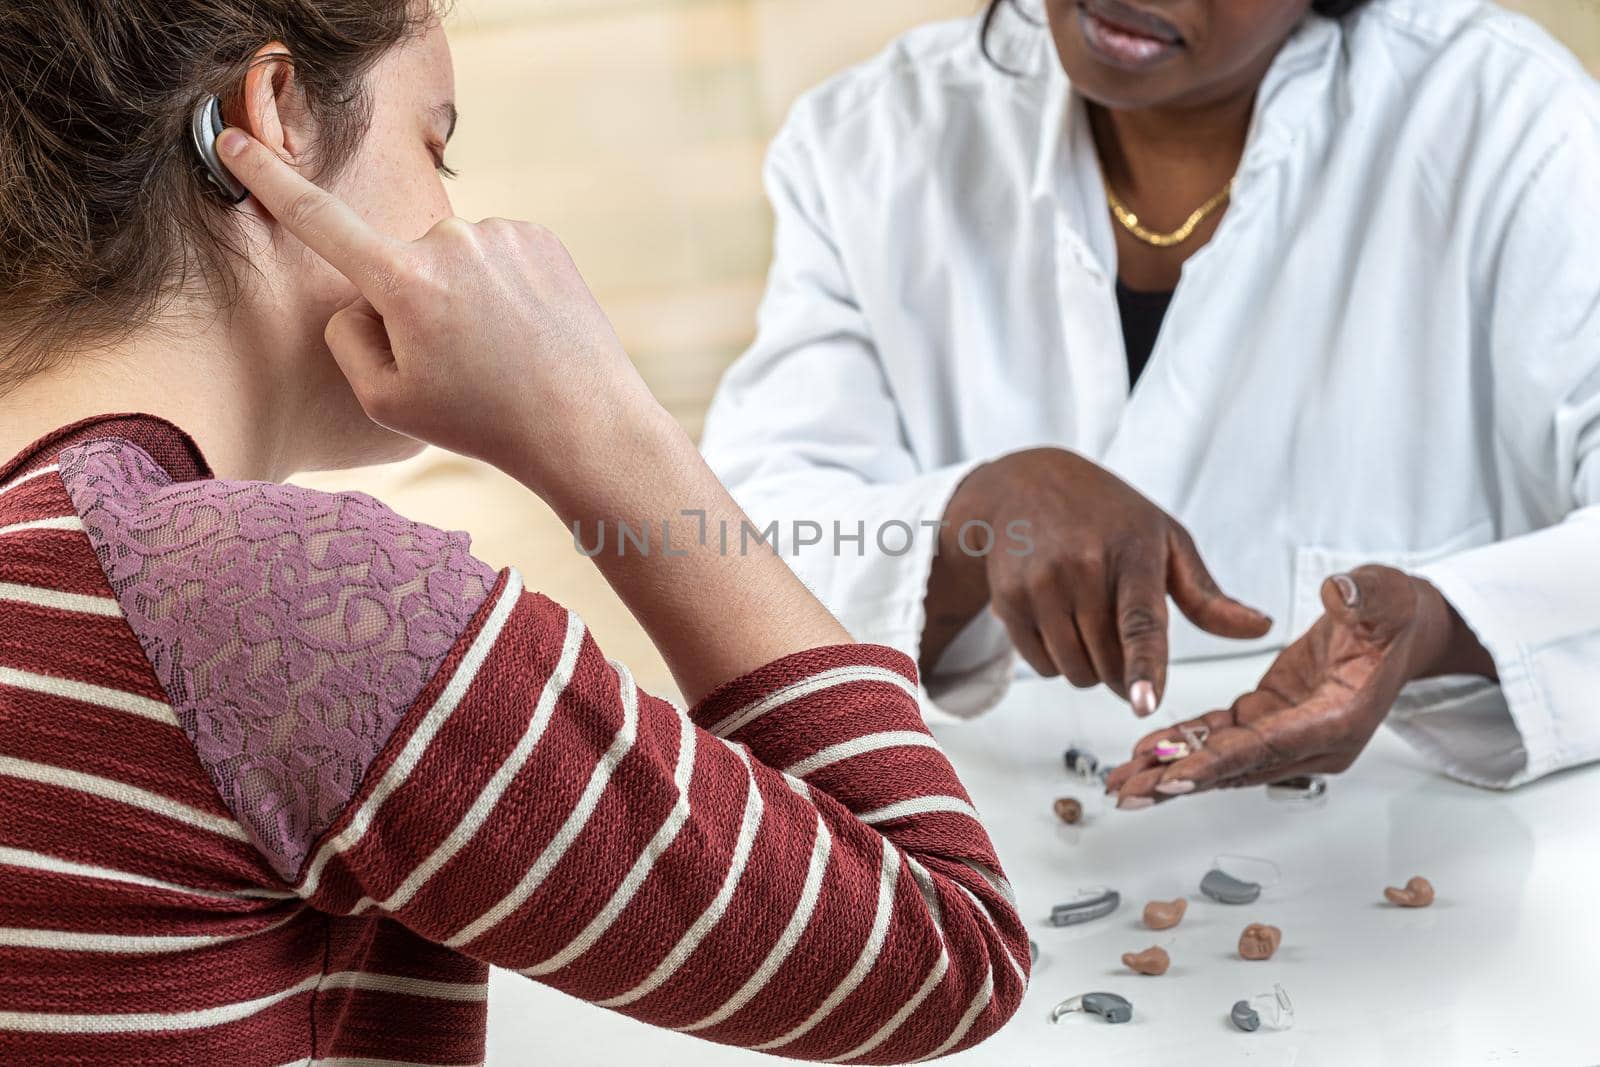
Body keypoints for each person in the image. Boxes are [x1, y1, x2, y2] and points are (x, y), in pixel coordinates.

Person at [0, 3, 1028, 1064]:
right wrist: (595, 421)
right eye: (435, 147)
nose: (455, 213)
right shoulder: (262, 602)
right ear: (271, 125)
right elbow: (949, 951)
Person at [701, 0, 1600, 803]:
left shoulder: (1504, 120)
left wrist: (1444, 623)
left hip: (1440, 873)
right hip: (995, 873)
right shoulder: (872, 138)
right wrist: (970, 519)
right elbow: (732, 549)